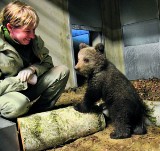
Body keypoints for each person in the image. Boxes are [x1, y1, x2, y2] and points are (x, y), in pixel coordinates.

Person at [0, 0, 70, 119]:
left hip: (28, 87)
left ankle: (38, 114)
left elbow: (48, 63)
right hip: (6, 94)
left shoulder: (34, 41)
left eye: (34, 30)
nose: (32, 36)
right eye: (27, 31)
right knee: (18, 105)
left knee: (63, 71)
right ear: (10, 27)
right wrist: (21, 81)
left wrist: (33, 69)